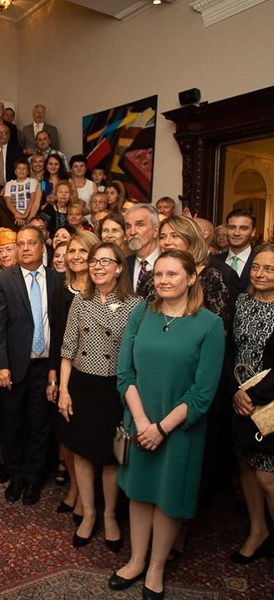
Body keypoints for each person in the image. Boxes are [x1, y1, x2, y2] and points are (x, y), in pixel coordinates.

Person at [110, 249, 225, 599]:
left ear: (191, 278)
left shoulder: (210, 324)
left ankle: (156, 567)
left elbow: (203, 393)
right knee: (139, 493)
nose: (163, 280)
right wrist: (142, 422)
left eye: (172, 274)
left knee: (168, 498)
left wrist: (161, 429)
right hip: (139, 420)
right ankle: (136, 560)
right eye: (158, 274)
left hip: (179, 429)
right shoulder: (142, 312)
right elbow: (125, 373)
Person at [59, 242, 140, 551]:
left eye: (105, 261)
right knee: (81, 452)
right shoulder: (81, 300)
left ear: (119, 268)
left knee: (110, 457)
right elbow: (67, 350)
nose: (97, 266)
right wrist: (64, 391)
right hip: (83, 386)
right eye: (94, 261)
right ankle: (89, 513)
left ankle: (109, 515)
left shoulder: (136, 304)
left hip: (115, 389)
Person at [0, 225, 60, 505]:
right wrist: (0, 364)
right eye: (21, 244)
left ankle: (33, 477)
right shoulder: (3, 281)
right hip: (14, 366)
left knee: (39, 424)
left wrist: (55, 370)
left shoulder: (57, 279)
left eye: (32, 243)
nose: (26, 248)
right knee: (13, 423)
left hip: (45, 366)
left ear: (43, 246)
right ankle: (17, 474)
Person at [48, 231, 99, 520]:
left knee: (86, 437)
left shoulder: (101, 289)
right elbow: (57, 338)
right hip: (66, 373)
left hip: (93, 374)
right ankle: (75, 488)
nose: (76, 256)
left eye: (83, 251)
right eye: (72, 251)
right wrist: (54, 378)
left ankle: (85, 496)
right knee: (65, 435)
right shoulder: (61, 290)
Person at [230, 244, 274, 563]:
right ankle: (258, 530)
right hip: (239, 399)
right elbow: (232, 350)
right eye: (256, 267)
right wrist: (236, 392)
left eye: (269, 269)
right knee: (245, 465)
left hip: (270, 403)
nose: (260, 273)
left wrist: (253, 396)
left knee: (267, 477)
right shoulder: (241, 302)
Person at [215, 208, 256, 291]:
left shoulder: (259, 261)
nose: (236, 233)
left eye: (243, 228)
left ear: (253, 232)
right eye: (232, 227)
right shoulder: (214, 261)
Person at [124, 203, 160, 293]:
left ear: (155, 231)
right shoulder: (123, 264)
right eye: (128, 226)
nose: (132, 232)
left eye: (140, 225)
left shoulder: (168, 263)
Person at [3, 158, 41, 228]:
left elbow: (32, 199)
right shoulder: (9, 184)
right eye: (19, 168)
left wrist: (25, 215)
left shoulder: (32, 181)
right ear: (15, 171)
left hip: (29, 214)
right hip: (14, 215)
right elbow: (8, 202)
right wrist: (17, 214)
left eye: (24, 169)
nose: (21, 170)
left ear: (28, 172)